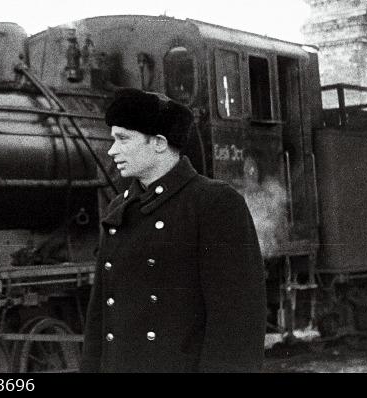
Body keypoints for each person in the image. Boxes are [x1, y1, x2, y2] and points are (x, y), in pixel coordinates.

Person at [81, 88, 266, 373]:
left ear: (158, 142)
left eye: (123, 139)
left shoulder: (215, 204)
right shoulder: (121, 207)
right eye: (112, 139)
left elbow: (236, 323)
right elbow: (99, 320)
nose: (112, 150)